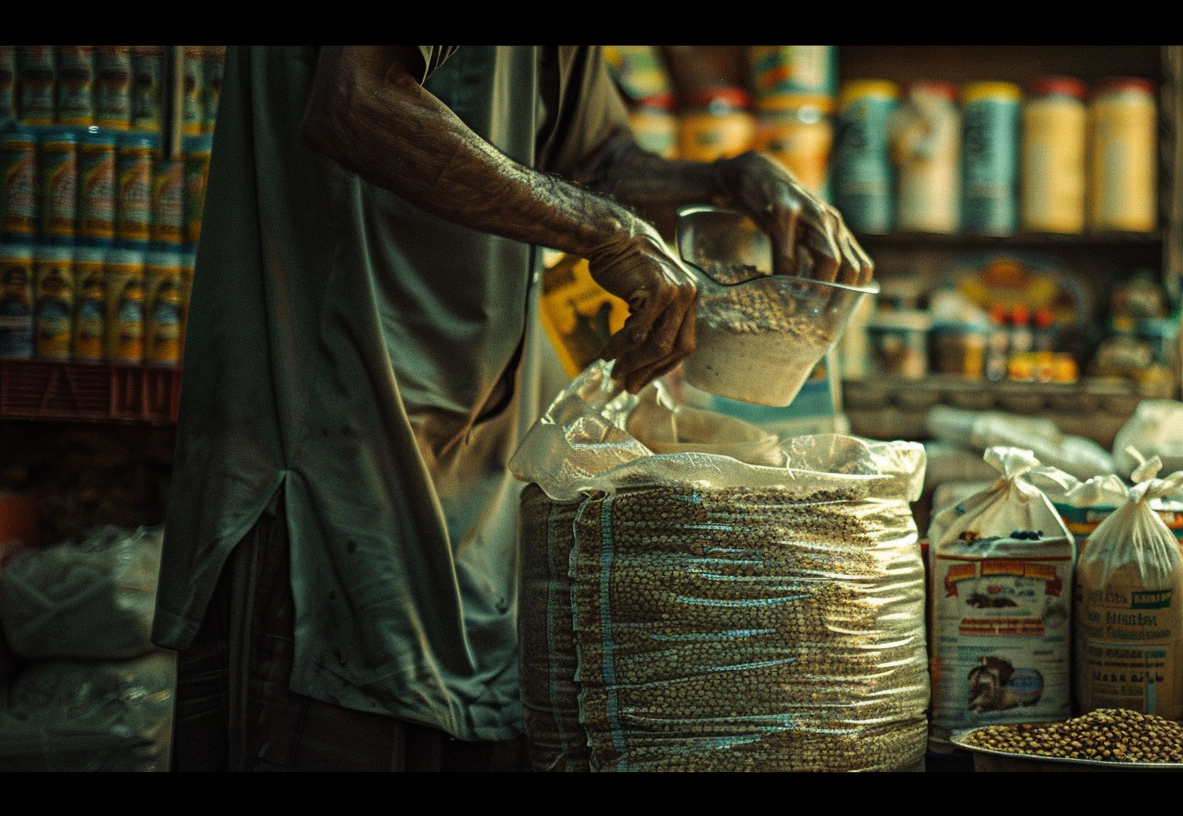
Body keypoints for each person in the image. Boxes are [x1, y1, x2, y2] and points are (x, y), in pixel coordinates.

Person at [150, 45, 871, 771]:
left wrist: (725, 177)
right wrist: (607, 232)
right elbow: (356, 102)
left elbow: (594, 162)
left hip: (473, 478)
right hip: (327, 457)